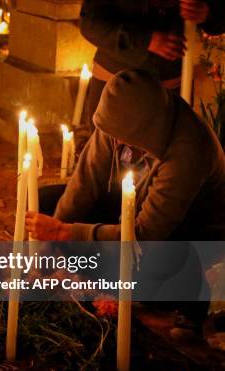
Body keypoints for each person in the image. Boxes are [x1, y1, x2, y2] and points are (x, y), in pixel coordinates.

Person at [25, 69, 225, 331]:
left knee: (158, 260)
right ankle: (99, 270)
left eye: (121, 137)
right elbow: (86, 181)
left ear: (145, 129)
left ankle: (169, 296)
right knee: (44, 203)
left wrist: (64, 233)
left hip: (183, 236)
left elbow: (144, 237)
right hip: (129, 207)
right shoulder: (119, 119)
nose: (115, 141)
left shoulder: (187, 152)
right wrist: (54, 230)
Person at [79, 0, 225, 130]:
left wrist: (207, 12)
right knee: (108, 157)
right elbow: (90, 23)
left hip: (172, 93)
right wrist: (145, 40)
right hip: (116, 87)